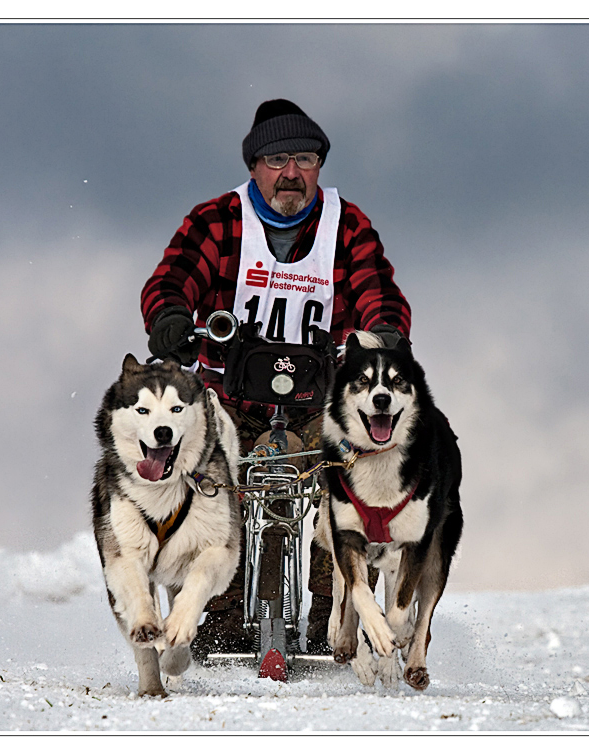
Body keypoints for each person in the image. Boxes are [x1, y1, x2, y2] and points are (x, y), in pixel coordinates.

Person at [140, 99, 411, 660]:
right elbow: (172, 278)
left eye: (306, 159)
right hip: (228, 395)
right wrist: (169, 317)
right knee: (191, 467)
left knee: (360, 474)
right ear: (255, 166)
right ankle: (212, 613)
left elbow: (376, 288)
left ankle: (334, 612)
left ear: (319, 167)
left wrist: (383, 329)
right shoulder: (216, 221)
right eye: (278, 159)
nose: (292, 172)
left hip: (324, 399)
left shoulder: (347, 225)